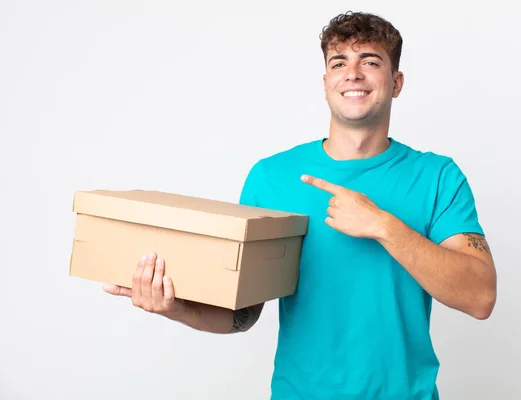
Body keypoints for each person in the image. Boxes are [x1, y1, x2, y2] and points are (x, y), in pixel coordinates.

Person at [104, 11, 497, 400]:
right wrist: (176, 306)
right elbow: (243, 313)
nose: (353, 73)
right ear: (326, 82)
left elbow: (480, 297)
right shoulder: (271, 178)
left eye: (371, 61)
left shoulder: (438, 177)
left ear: (396, 83)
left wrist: (383, 226)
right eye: (339, 62)